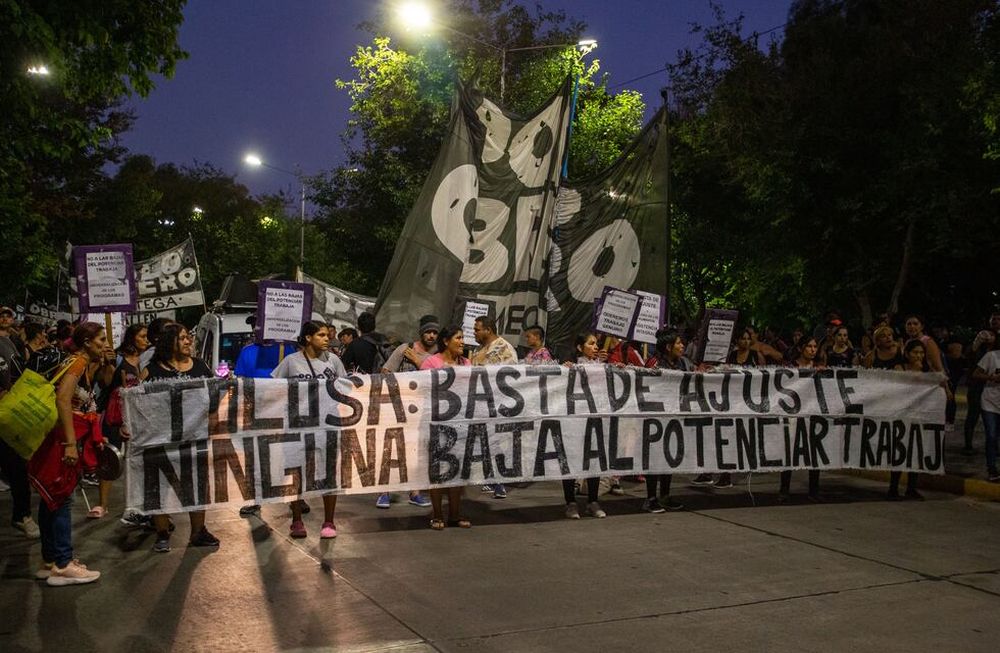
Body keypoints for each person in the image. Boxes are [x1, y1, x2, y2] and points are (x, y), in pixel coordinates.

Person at [36, 322, 110, 585]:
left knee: (51, 499)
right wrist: (69, 443)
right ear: (87, 342)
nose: (106, 344)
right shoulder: (77, 363)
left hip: (60, 438)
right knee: (62, 498)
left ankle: (50, 560)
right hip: (62, 439)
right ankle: (64, 564)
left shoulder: (80, 363)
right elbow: (62, 400)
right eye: (101, 339)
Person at [145, 323, 220, 553]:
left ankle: (198, 532)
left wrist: (214, 421)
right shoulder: (151, 371)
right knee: (160, 485)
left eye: (189, 338)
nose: (189, 341)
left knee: (197, 484)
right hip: (160, 439)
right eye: (183, 338)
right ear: (170, 343)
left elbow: (214, 397)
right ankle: (162, 534)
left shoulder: (200, 366)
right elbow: (138, 405)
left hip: (194, 437)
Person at [271, 321, 346, 539]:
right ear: (307, 338)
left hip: (328, 425)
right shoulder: (290, 362)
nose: (327, 339)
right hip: (298, 426)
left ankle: (329, 521)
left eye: (327, 335)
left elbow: (344, 388)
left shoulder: (334, 361)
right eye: (321, 335)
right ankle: (296, 520)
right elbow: (274, 390)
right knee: (296, 474)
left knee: (329, 474)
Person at [375, 315, 438, 509]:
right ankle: (383, 492)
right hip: (398, 406)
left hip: (422, 409)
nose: (432, 335)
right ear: (421, 332)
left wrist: (419, 362)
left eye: (435, 332)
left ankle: (415, 492)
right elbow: (385, 372)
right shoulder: (405, 349)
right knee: (391, 448)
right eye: (428, 332)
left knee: (416, 451)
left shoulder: (438, 355)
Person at [89, 323, 148, 520]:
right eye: (141, 336)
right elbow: (105, 383)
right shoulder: (118, 357)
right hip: (115, 416)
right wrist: (108, 364)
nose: (145, 340)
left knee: (139, 460)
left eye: (147, 336)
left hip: (139, 416)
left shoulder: (148, 358)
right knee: (110, 458)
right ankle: (102, 504)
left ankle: (138, 503)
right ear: (131, 338)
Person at [693, 327, 760, 488]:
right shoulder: (731, 356)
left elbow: (761, 377)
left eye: (747, 338)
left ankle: (726, 475)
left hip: (745, 403)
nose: (745, 341)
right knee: (718, 436)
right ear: (737, 341)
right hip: (729, 401)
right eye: (742, 338)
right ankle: (708, 472)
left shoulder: (755, 356)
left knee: (733, 439)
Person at [420, 326, 472, 529]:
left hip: (460, 423)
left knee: (458, 469)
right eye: (458, 338)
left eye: (463, 338)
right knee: (438, 469)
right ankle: (437, 514)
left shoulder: (467, 363)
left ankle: (455, 514)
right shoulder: (431, 363)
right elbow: (424, 391)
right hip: (437, 423)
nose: (462, 342)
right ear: (446, 341)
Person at [470, 315, 517, 498]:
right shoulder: (478, 351)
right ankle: (489, 477)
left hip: (498, 406)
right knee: (484, 442)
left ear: (487, 330)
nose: (474, 332)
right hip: (480, 405)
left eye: (477, 329)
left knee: (498, 443)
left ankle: (499, 481)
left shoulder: (504, 348)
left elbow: (511, 379)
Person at [641, 329, 688, 512]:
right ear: (668, 346)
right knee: (654, 458)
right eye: (678, 343)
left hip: (673, 416)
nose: (682, 346)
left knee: (669, 455)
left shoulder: (682, 363)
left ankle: (665, 495)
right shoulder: (654, 363)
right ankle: (651, 498)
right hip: (654, 417)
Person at [561, 332, 606, 519]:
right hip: (574, 421)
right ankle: (571, 503)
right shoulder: (569, 367)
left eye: (596, 344)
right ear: (580, 348)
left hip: (595, 420)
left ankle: (592, 502)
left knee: (593, 459)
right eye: (591, 343)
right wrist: (564, 370)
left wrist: (617, 369)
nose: (596, 347)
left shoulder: (602, 367)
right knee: (571, 459)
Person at [0, 326, 37, 539]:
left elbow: (19, 374)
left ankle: (22, 516)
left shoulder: (8, 342)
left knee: (17, 469)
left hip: (8, 418)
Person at [885, 340, 933, 499]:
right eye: (915, 352)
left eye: (921, 353)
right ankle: (893, 488)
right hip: (901, 415)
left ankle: (911, 488)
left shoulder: (927, 369)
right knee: (900, 450)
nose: (919, 356)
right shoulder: (899, 368)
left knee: (916, 450)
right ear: (907, 354)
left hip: (920, 415)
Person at [778, 337, 822, 502]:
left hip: (813, 413)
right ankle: (784, 489)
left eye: (815, 346)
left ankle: (814, 490)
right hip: (794, 414)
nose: (812, 350)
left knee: (814, 451)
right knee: (790, 450)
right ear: (802, 348)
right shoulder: (791, 368)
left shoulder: (819, 367)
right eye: (809, 346)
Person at [963, 313, 1000, 455]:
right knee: (973, 414)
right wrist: (977, 342)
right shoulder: (980, 344)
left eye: (998, 319)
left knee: (994, 418)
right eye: (993, 320)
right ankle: (968, 445)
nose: (995, 322)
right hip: (977, 386)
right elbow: (967, 356)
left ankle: (993, 446)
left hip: (994, 390)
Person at [972, 334, 1000, 482]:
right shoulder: (991, 356)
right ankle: (991, 468)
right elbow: (976, 374)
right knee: (991, 435)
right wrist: (992, 378)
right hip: (990, 401)